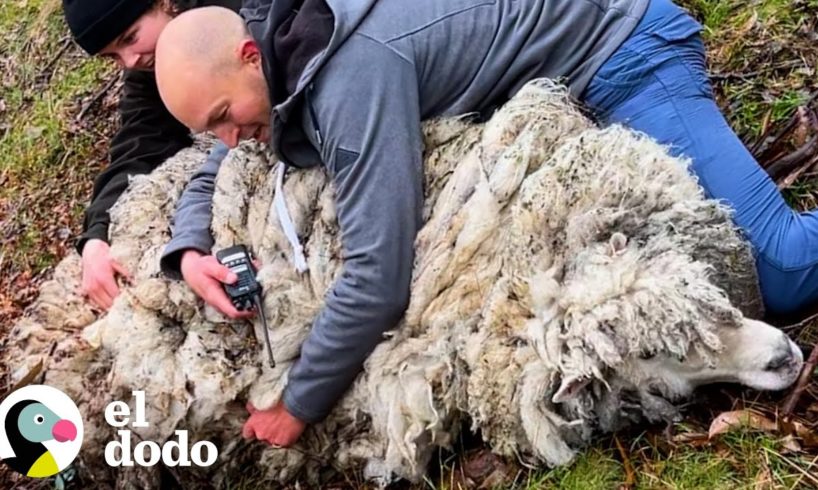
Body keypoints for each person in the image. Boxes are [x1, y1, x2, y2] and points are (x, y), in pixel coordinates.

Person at [153, 0, 818, 447]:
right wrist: (188, 247)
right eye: (209, 127)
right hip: (557, 98)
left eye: (221, 115)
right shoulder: (283, 57)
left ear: (247, 54)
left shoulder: (350, 80)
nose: (229, 138)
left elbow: (379, 275)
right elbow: (219, 161)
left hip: (620, 54)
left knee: (782, 272)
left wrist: (298, 402)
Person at [61, 0, 243, 312]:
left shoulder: (245, 15)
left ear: (165, 2)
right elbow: (141, 140)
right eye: (112, 57)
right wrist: (97, 234)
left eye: (130, 38)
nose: (130, 61)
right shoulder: (152, 66)